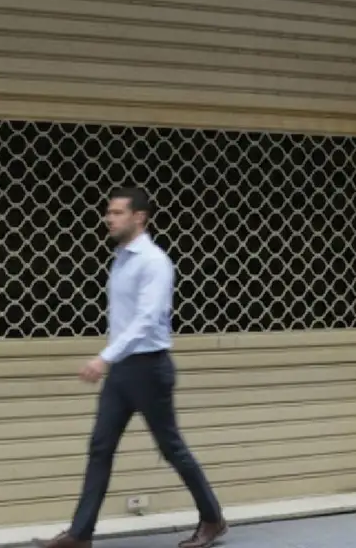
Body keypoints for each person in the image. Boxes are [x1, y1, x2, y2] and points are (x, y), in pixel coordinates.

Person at [35, 187, 227, 548]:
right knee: (100, 446)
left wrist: (103, 357)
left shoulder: (154, 261)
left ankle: (213, 518)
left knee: (171, 448)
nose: (109, 218)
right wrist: (112, 359)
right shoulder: (121, 258)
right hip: (123, 369)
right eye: (109, 212)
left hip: (149, 369)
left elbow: (145, 320)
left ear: (139, 217)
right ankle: (80, 534)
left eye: (117, 212)